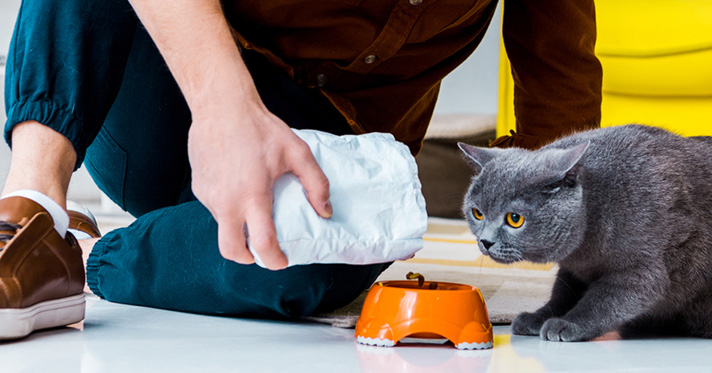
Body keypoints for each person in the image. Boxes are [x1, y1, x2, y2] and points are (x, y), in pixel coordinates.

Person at [0, 0, 601, 339]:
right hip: (172, 103)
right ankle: (28, 217)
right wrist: (223, 108)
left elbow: (558, 67)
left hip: (331, 151)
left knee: (309, 267)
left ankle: (78, 254)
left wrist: (593, 260)